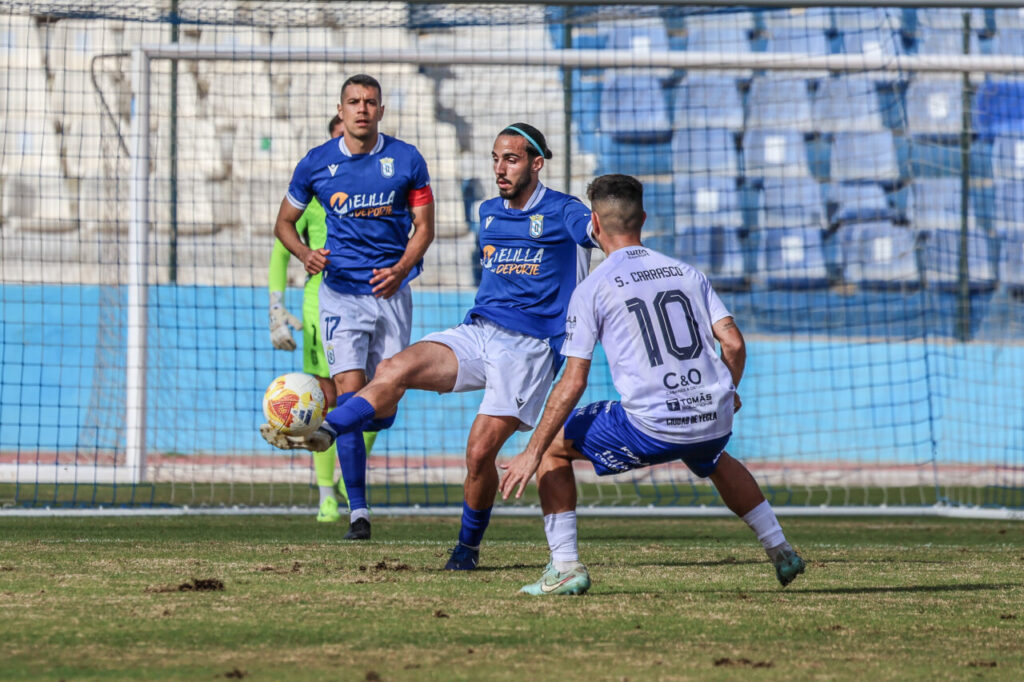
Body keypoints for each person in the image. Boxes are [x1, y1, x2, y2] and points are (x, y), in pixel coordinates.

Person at [264, 123, 594, 570]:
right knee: (393, 369)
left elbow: (598, 232)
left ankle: (467, 549)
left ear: (537, 163)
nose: (500, 168)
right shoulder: (488, 212)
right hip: (479, 330)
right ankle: (327, 432)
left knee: (479, 453)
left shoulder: (564, 211)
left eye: (511, 159)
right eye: (496, 158)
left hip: (530, 347)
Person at [498, 174, 806, 596]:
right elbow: (732, 341)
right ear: (643, 218)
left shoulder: (592, 289)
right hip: (711, 415)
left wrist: (529, 452)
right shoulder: (686, 272)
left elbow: (573, 382)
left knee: (554, 447)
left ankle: (565, 566)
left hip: (653, 424)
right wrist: (726, 392)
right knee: (711, 454)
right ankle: (781, 549)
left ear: (595, 223)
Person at [266, 74, 435, 539]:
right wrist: (305, 254)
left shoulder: (406, 159)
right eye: (353, 102)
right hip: (339, 295)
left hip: (391, 293)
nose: (362, 109)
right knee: (355, 388)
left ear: (381, 110)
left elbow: (425, 228)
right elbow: (283, 223)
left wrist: (401, 269)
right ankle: (357, 512)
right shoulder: (316, 164)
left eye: (371, 102)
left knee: (384, 404)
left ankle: (313, 403)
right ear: (340, 110)